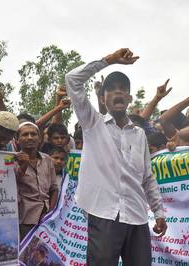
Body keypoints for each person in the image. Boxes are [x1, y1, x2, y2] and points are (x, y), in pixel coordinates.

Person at [65, 48, 166, 266]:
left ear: (129, 97)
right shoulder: (93, 124)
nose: (118, 93)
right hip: (104, 214)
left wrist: (159, 212)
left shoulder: (139, 135)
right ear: (103, 98)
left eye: (123, 89)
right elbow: (72, 80)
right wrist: (109, 60)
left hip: (137, 216)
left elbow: (147, 178)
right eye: (111, 89)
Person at [15, 122, 58, 240]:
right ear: (17, 140)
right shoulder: (11, 160)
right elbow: (10, 187)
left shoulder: (47, 159)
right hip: (25, 218)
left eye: (33, 134)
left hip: (47, 218)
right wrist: (22, 167)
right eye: (25, 134)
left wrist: (51, 212)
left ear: (39, 139)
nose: (29, 137)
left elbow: (54, 188)